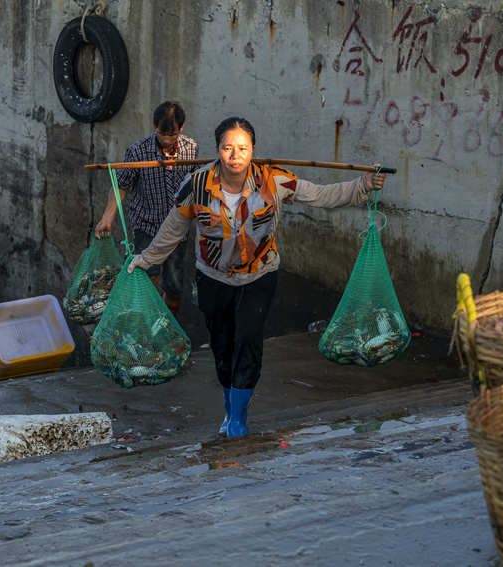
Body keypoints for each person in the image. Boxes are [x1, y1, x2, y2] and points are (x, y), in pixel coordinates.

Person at [129, 117, 387, 437]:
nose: (235, 155)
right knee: (222, 347)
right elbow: (172, 229)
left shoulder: (274, 180)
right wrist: (144, 260)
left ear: (252, 151)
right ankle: (229, 406)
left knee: (248, 337)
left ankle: (238, 418)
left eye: (242, 148)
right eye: (227, 148)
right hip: (212, 277)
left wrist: (362, 186)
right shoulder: (195, 185)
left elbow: (320, 195)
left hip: (259, 274)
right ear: (217, 150)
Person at [93, 101, 198, 317]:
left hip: (177, 230)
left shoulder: (191, 149)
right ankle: (144, 327)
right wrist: (107, 218)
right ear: (153, 125)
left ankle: (164, 328)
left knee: (175, 288)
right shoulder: (138, 152)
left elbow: (197, 185)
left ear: (182, 128)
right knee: (148, 280)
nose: (167, 139)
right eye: (162, 133)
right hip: (147, 226)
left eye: (173, 134)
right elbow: (120, 185)